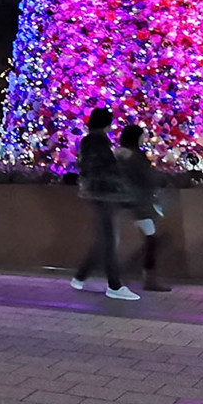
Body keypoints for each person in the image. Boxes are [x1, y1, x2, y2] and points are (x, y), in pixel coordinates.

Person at [70, 108, 140, 300]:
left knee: (105, 239)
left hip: (98, 193)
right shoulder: (97, 142)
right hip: (104, 194)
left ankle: (81, 276)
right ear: (106, 124)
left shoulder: (89, 141)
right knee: (110, 241)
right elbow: (105, 169)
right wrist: (120, 160)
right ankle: (114, 285)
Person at [115, 125, 169, 292]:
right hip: (139, 203)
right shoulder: (136, 156)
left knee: (137, 240)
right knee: (151, 240)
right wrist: (162, 181)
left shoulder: (118, 154)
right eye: (142, 135)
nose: (144, 138)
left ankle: (125, 274)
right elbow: (146, 177)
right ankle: (148, 278)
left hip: (121, 203)